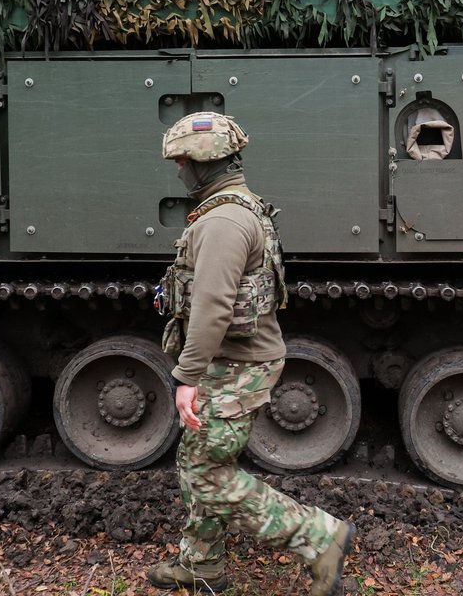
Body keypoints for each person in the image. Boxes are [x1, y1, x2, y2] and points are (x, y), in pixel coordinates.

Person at [148, 111, 355, 595]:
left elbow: (213, 305)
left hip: (232, 366)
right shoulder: (240, 207)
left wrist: (188, 376)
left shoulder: (222, 221)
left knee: (204, 473)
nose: (178, 170)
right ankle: (201, 565)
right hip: (235, 361)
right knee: (202, 460)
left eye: (182, 161)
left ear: (203, 164)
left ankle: (318, 537)